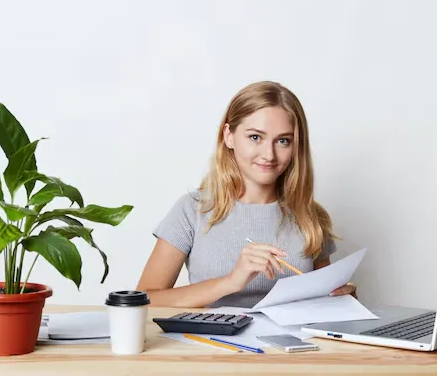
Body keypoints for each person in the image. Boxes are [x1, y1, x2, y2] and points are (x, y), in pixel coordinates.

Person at [136, 80, 356, 308]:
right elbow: (144, 299)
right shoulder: (193, 210)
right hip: (212, 344)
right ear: (228, 136)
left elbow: (328, 304)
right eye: (255, 137)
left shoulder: (310, 216)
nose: (269, 154)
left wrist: (344, 297)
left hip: (293, 344)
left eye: (283, 141)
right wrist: (231, 282)